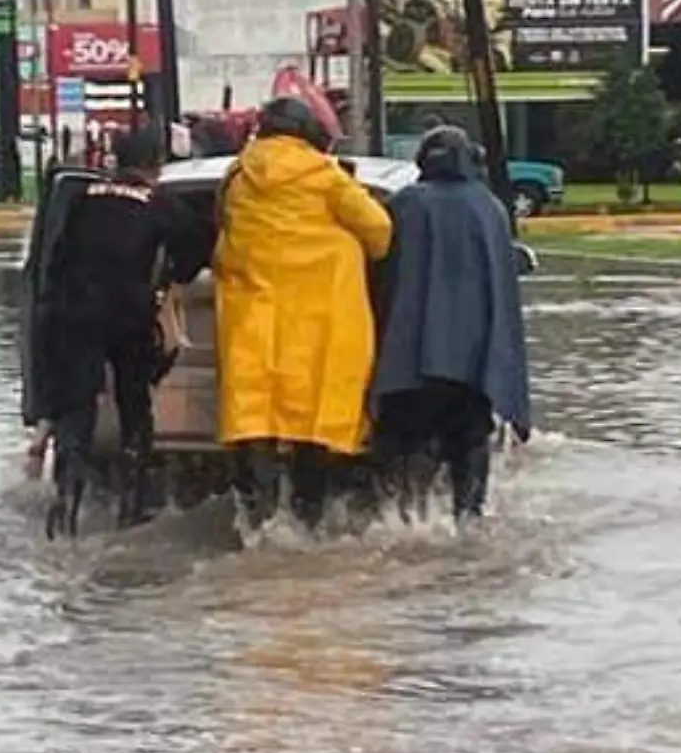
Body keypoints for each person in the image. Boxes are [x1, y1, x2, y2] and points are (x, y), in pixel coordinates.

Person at [212, 96, 394, 530]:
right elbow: (381, 232)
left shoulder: (237, 176)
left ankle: (256, 521)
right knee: (314, 424)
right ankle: (307, 521)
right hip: (318, 326)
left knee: (254, 419)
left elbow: (220, 233)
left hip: (253, 321)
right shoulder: (325, 176)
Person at [32, 129, 200, 539]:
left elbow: (54, 258)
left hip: (72, 313)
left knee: (76, 411)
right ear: (156, 163)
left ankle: (66, 505)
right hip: (127, 313)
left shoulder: (80, 197)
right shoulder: (160, 203)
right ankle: (132, 504)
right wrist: (169, 280)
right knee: (133, 403)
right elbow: (195, 254)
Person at [368, 125, 532, 522]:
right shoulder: (489, 209)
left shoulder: (405, 204)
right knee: (470, 445)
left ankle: (402, 521)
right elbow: (504, 279)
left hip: (407, 365)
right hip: (474, 368)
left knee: (403, 450)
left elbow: (376, 274)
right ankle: (468, 522)